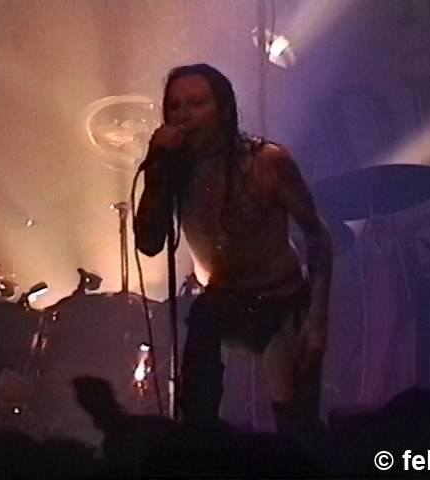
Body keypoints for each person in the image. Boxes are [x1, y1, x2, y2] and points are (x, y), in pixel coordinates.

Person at [134, 64, 333, 439]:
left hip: (281, 298)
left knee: (298, 426)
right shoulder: (175, 170)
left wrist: (317, 318)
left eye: (196, 104)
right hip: (224, 301)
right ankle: (198, 444)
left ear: (223, 110)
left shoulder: (267, 162)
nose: (183, 115)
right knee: (204, 323)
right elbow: (148, 243)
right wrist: (155, 168)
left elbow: (317, 234)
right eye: (175, 106)